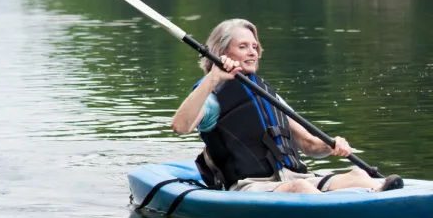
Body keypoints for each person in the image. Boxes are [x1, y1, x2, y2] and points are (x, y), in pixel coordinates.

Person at [171, 18, 402, 194]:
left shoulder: (267, 95)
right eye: (243, 47)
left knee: (358, 175)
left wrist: (332, 145)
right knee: (300, 188)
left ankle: (383, 197)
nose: (252, 52)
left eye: (254, 46)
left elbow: (308, 144)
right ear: (222, 53)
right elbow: (180, 127)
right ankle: (338, 215)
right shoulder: (211, 95)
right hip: (250, 186)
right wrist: (213, 77)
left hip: (290, 177)